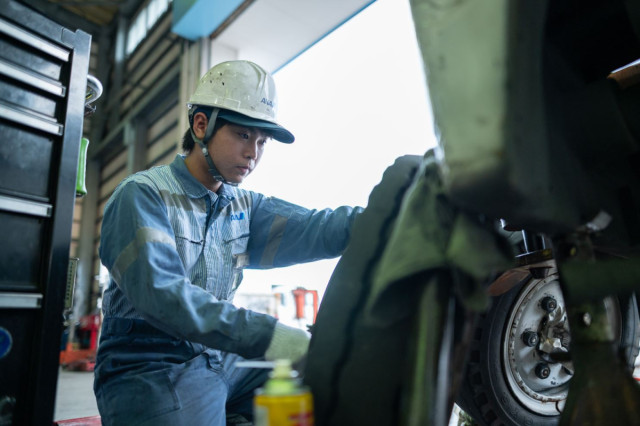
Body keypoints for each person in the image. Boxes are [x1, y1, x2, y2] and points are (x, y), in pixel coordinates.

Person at [93, 60, 363, 425]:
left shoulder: (244, 208)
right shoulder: (142, 196)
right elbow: (164, 297)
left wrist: (387, 214)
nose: (253, 153)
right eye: (242, 135)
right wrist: (268, 334)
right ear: (201, 124)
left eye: (262, 141)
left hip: (219, 357)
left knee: (318, 384)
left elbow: (318, 228)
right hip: (149, 365)